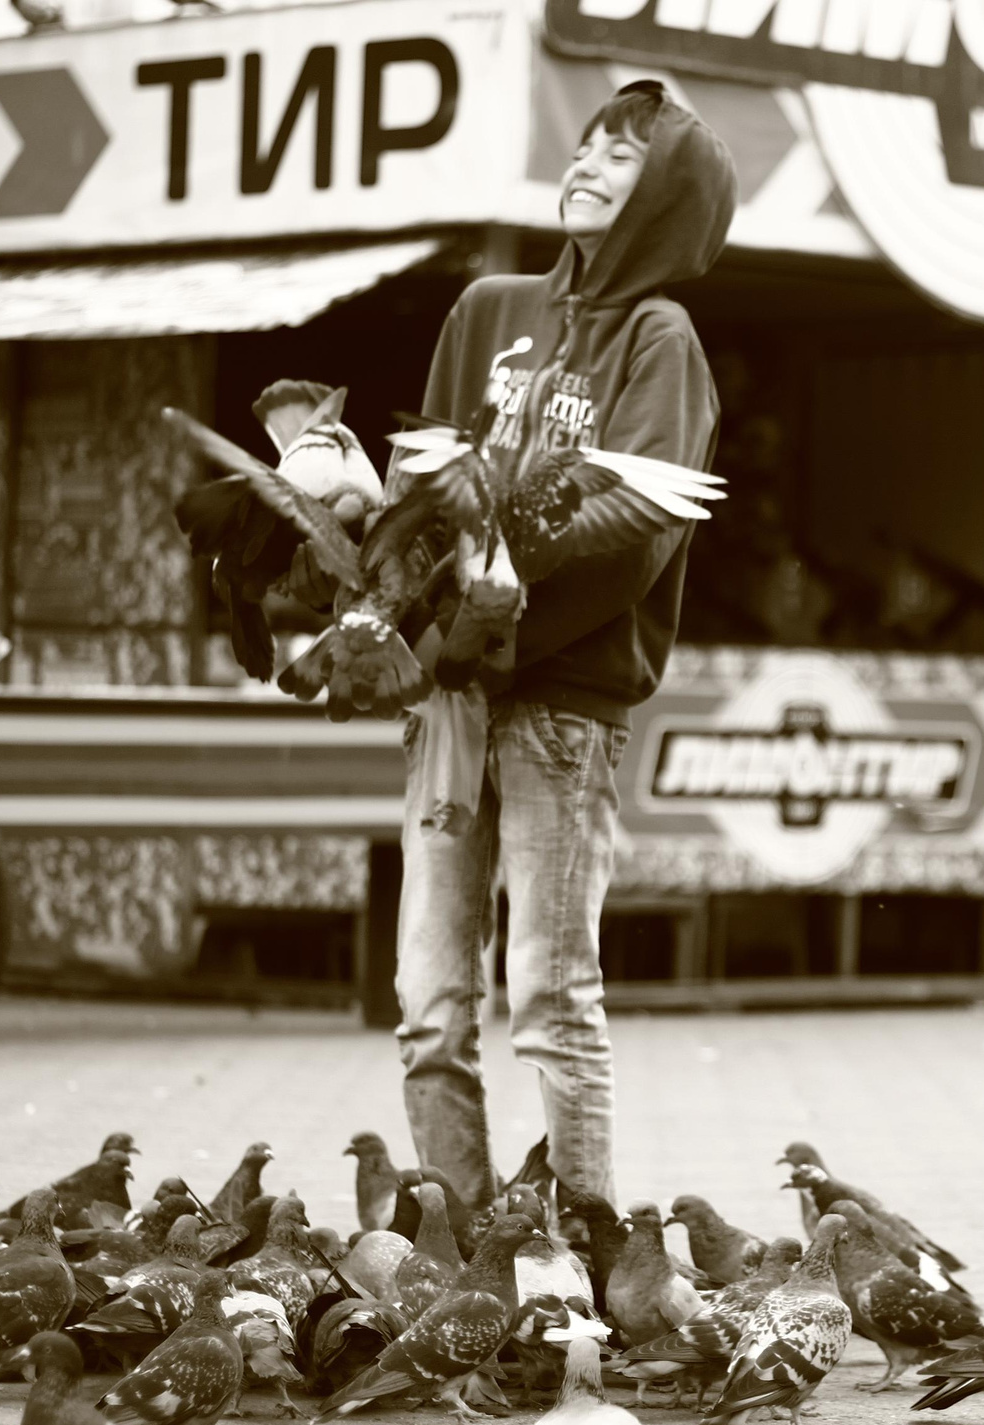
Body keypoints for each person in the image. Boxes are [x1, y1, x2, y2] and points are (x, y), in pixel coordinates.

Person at [393, 82, 736, 1217]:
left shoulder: (659, 339)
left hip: (563, 710)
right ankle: (454, 1250)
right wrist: (414, 618)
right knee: (429, 1004)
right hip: (448, 703)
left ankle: (587, 1250)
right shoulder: (486, 309)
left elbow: (637, 534)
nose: (587, 162)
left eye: (622, 155)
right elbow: (418, 493)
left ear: (667, 196)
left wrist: (505, 591)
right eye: (584, 143)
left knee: (548, 997)